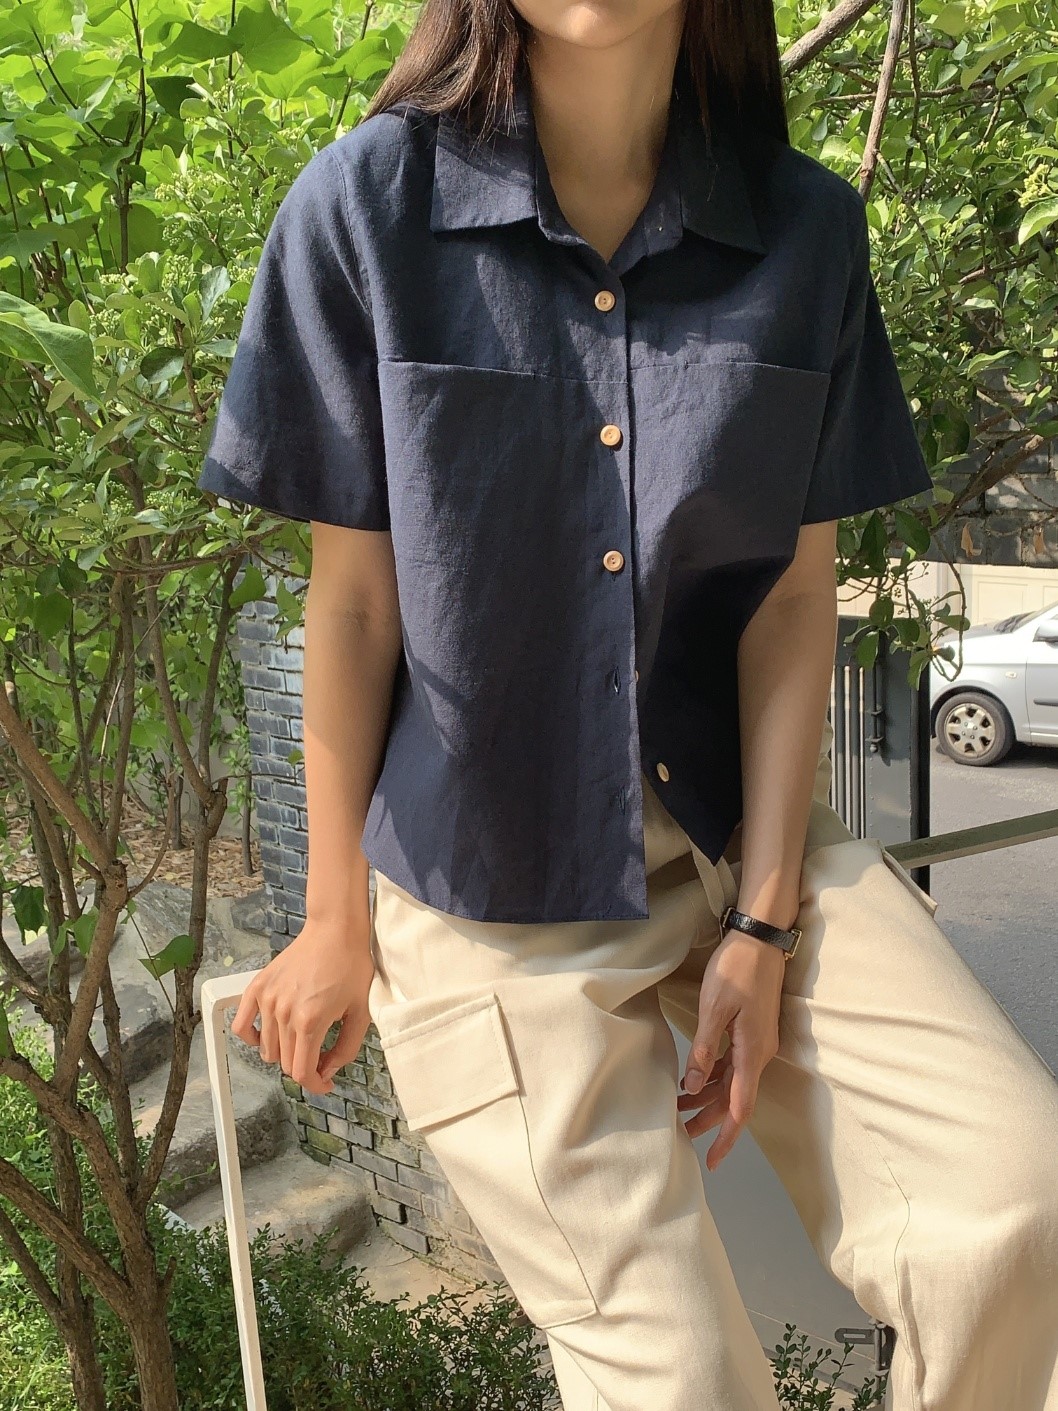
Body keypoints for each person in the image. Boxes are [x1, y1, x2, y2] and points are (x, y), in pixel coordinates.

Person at [197, 0, 1058, 1407]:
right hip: (484, 878)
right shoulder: (364, 206)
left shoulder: (802, 229)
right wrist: (334, 919)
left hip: (732, 835)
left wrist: (763, 925)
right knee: (682, 1383)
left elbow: (792, 601)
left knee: (1015, 1204)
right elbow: (352, 605)